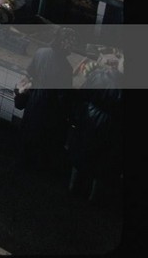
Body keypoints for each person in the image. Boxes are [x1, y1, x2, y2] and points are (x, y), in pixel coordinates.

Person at [66, 55, 123, 202]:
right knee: (102, 166)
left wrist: (76, 119)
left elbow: (81, 97)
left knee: (80, 157)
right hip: (112, 130)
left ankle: (73, 188)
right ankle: (94, 197)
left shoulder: (98, 76)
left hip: (89, 122)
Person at [16, 28, 74, 171]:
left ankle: (23, 161)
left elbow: (29, 74)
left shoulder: (41, 52)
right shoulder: (66, 67)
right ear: (64, 43)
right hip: (50, 105)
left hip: (34, 98)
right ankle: (38, 168)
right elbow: (63, 95)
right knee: (43, 137)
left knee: (29, 130)